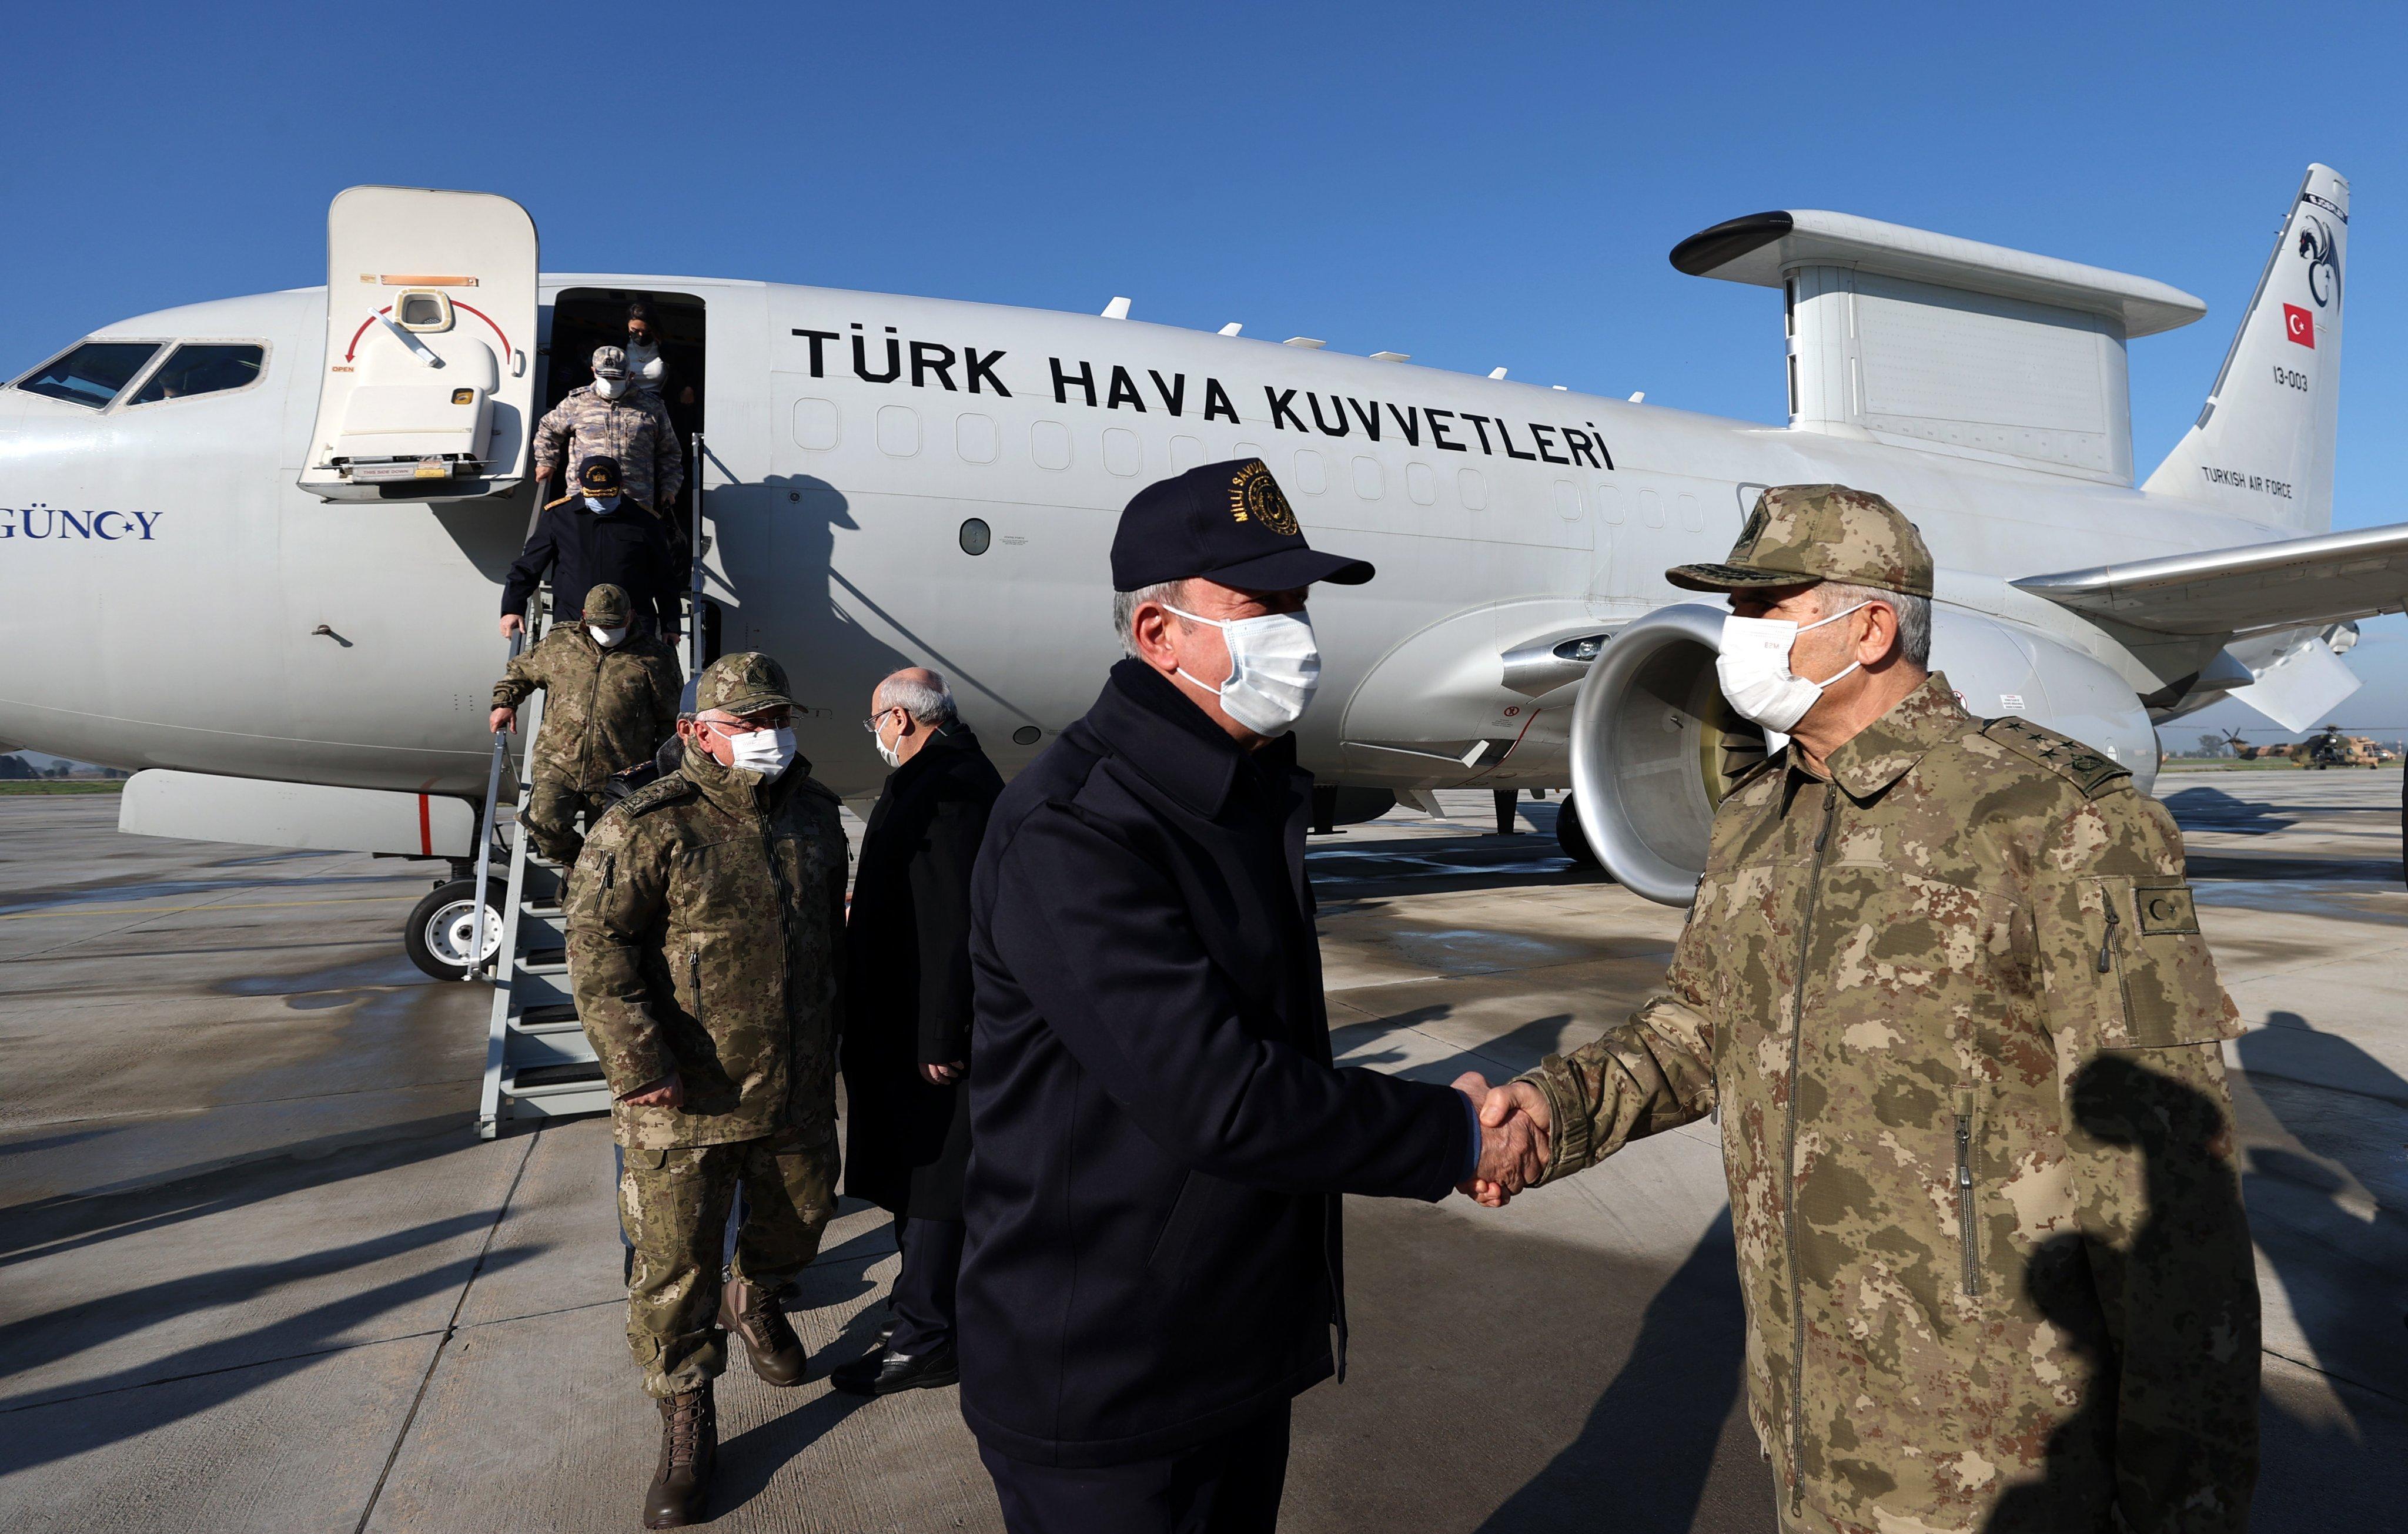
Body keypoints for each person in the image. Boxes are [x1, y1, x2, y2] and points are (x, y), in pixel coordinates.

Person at [1469, 485, 2259, 1533]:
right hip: (1811, 1425)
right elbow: (1697, 1027)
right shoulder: (1758, 819)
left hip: (1996, 1457)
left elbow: (2170, 1200)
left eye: (1763, 611)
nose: (1733, 638)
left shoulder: (2053, 817)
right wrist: (1552, 1111)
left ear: (1872, 627)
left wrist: (2183, 1504)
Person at [958, 458, 1546, 1534]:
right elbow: (1222, 1096)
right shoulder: (1081, 831)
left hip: (1221, 1346)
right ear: (1157, 635)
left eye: (1301, 602)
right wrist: (1457, 1135)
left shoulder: (1231, 792)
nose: (1299, 631)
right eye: (1261, 605)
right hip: (1107, 1379)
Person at [564, 652, 850, 1530]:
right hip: (683, 1100)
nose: (769, 736)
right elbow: (597, 948)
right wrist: (638, 1064)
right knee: (672, 1267)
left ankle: (757, 1293)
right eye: (748, 723)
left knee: (800, 1217)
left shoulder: (814, 812)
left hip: (795, 1084)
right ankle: (687, 1411)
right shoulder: (649, 824)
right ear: (696, 732)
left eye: (777, 719)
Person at [831, 668, 1003, 1397]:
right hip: (903, 1018)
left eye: (874, 720)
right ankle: (933, 1321)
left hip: (925, 1031)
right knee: (918, 1177)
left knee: (933, 1182)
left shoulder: (948, 788)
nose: (873, 734)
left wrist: (942, 1032)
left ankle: (925, 1338)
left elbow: (952, 919)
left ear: (898, 719)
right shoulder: (936, 772)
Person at [489, 582, 681, 865]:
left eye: (614, 625)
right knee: (543, 825)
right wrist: (505, 702)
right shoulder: (561, 645)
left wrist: (662, 769)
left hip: (619, 771)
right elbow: (521, 671)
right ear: (584, 616)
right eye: (600, 625)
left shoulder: (655, 658)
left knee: (610, 848)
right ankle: (578, 869)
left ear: (630, 617)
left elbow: (670, 718)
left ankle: (586, 879)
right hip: (558, 762)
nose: (607, 632)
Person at [500, 457, 683, 641]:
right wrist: (513, 609)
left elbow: (665, 577)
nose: (601, 500)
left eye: (607, 494)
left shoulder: (645, 521)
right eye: (594, 495)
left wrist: (671, 624)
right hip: (573, 624)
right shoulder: (560, 516)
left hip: (630, 627)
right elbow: (528, 566)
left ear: (622, 484)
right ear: (579, 483)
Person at [533, 344, 685, 519]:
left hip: (634, 501)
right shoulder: (577, 402)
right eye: (606, 377)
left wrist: (670, 487)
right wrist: (546, 461)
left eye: (616, 378)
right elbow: (548, 429)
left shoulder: (651, 407)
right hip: (584, 498)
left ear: (630, 375)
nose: (611, 383)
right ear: (594, 372)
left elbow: (669, 451)